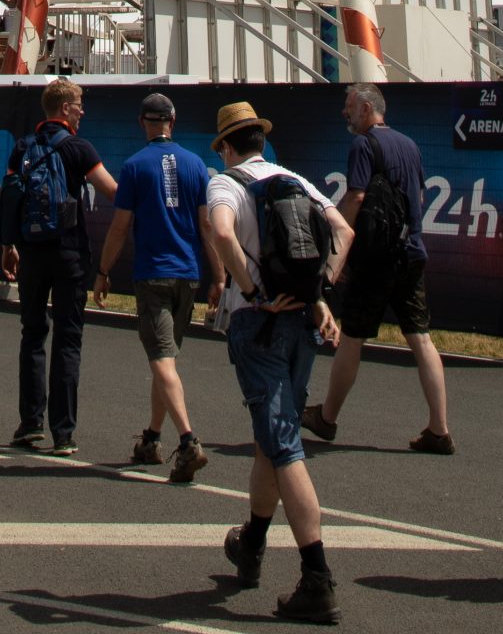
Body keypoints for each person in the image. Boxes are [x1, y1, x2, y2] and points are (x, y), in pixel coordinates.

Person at [205, 99, 352, 627]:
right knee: (273, 434)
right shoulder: (293, 179)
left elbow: (223, 234)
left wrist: (254, 288)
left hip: (259, 322)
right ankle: (253, 546)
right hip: (301, 324)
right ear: (261, 140)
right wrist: (320, 292)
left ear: (225, 146)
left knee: (283, 444)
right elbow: (343, 232)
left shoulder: (226, 185)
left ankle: (317, 576)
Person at [304, 87, 452, 454]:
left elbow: (355, 197)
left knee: (353, 336)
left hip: (376, 259)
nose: (344, 113)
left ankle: (327, 417)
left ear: (368, 108)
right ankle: (439, 427)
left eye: (349, 107)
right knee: (421, 337)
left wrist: (335, 240)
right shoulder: (410, 145)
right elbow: (417, 198)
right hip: (412, 252)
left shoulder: (364, 146)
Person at [93, 92, 212, 480]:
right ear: (172, 121)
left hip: (153, 273)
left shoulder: (134, 166)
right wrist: (221, 275)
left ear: (143, 123)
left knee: (161, 360)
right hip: (188, 274)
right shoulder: (196, 165)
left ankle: (189, 439)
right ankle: (152, 438)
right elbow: (207, 226)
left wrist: (103, 270)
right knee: (167, 361)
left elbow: (120, 225)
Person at [0, 76, 117, 457]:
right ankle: (63, 432)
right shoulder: (78, 148)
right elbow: (111, 190)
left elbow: (10, 199)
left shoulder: (23, 147)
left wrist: (8, 245)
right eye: (79, 104)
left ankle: (29, 423)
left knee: (32, 334)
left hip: (32, 250)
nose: (83, 110)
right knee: (68, 339)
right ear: (65, 108)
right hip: (69, 252)